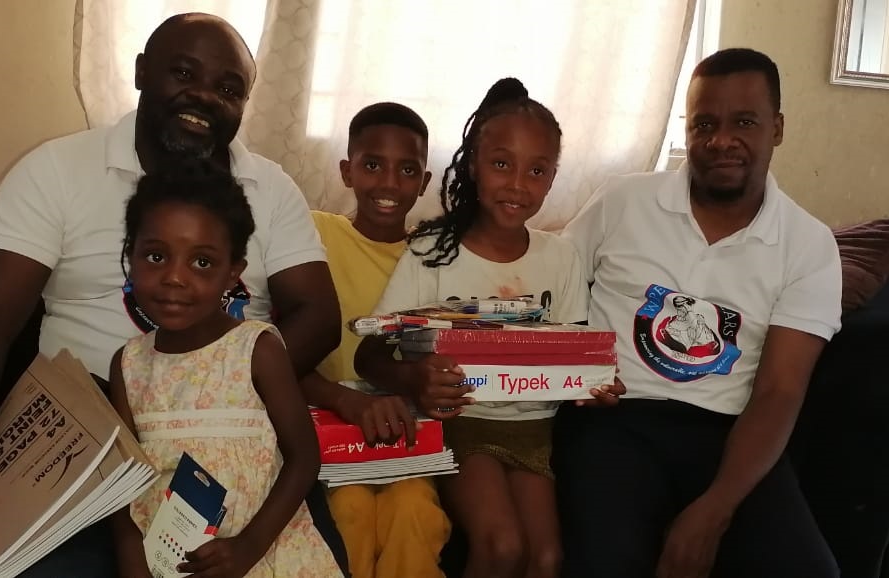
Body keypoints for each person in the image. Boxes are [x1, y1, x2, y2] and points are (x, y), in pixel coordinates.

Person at [0, 13, 342, 576]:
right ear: (141, 72)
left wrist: (226, 385)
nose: (203, 96)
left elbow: (318, 315)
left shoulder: (273, 188)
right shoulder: (55, 170)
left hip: (237, 433)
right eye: (183, 73)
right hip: (86, 439)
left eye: (228, 88)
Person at [555, 47, 843, 578]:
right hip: (616, 420)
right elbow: (549, 286)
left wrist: (714, 511)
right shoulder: (624, 200)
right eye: (704, 123)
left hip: (728, 433)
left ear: (777, 128)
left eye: (745, 122)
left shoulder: (808, 244)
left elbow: (780, 391)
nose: (721, 140)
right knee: (609, 560)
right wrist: (573, 370)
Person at [355, 79, 621, 578]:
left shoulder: (561, 256)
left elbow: (573, 355)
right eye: (502, 164)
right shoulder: (432, 251)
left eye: (537, 171)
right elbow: (368, 355)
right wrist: (415, 378)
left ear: (553, 178)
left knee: (546, 559)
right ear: (474, 164)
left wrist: (594, 384)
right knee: (501, 545)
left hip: (535, 428)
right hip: (461, 421)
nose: (518, 184)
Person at [108, 163, 342, 577]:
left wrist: (248, 547)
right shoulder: (127, 365)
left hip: (265, 552)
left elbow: (304, 457)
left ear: (233, 272)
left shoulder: (257, 349)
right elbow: (120, 480)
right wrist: (133, 560)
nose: (174, 278)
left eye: (201, 262)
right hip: (169, 561)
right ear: (131, 255)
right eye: (156, 256)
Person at [299, 102, 452, 578]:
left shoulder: (433, 255)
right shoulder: (314, 234)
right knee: (349, 512)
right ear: (347, 171)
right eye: (372, 165)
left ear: (424, 182)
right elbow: (278, 346)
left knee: (415, 512)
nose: (389, 183)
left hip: (409, 430)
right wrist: (343, 400)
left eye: (407, 170)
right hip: (327, 421)